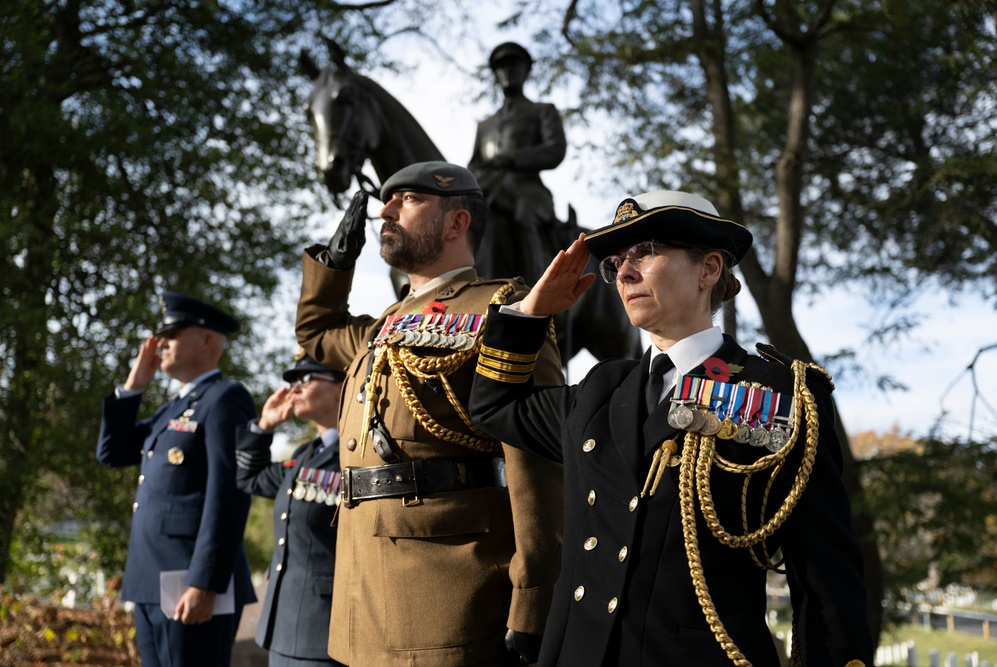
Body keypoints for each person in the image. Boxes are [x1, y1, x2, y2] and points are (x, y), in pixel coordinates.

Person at [468, 191, 875, 667]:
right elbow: (493, 405)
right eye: (616, 261)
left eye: (645, 252)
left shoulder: (782, 395)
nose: (623, 272)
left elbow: (827, 581)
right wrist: (531, 313)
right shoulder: (600, 390)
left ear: (709, 270)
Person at [295, 161, 565, 667]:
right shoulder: (384, 324)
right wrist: (336, 261)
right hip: (361, 593)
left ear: (456, 223)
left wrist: (533, 601)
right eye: (387, 201)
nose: (386, 210)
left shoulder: (502, 310)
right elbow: (315, 333)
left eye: (409, 200)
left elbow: (537, 464)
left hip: (449, 594)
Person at [96, 291, 257, 667]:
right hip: (152, 582)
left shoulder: (224, 399)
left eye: (172, 333)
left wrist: (205, 583)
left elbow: (228, 496)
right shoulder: (173, 407)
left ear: (206, 340)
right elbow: (112, 452)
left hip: (191, 585)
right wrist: (133, 387)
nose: (160, 342)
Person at [235, 349, 347, 667]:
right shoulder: (305, 455)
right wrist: (264, 425)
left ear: (343, 386)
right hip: (283, 627)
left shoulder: (360, 453)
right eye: (292, 381)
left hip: (326, 630)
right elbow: (250, 478)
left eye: (306, 379)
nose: (293, 389)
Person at [469, 41, 567, 284]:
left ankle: (538, 293)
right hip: (489, 191)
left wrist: (513, 158)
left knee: (525, 217)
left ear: (527, 70)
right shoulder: (485, 125)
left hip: (527, 190)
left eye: (514, 65)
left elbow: (555, 150)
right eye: (501, 67)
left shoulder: (542, 111)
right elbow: (474, 164)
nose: (508, 71)